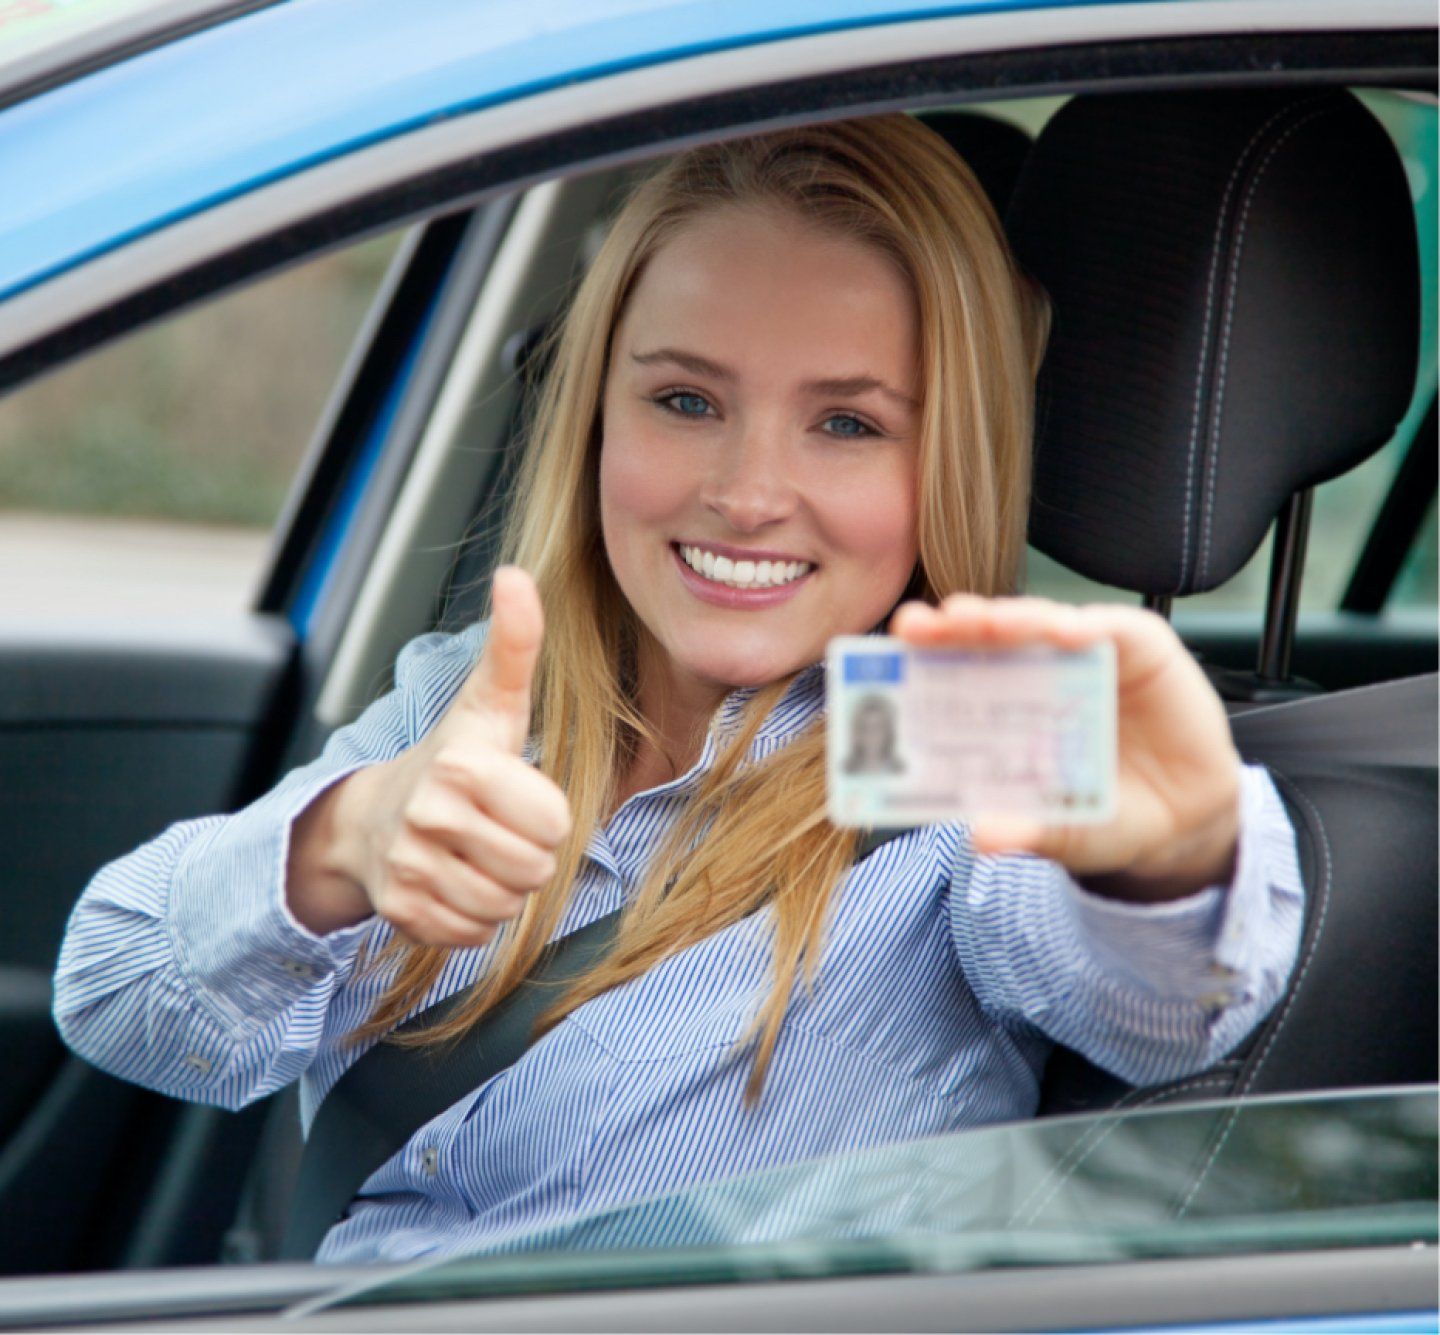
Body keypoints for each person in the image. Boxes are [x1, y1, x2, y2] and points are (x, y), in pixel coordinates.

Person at [53, 116, 1303, 1264]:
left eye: (850, 425)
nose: (749, 491)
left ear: (952, 458)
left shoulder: (955, 726)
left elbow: (1163, 1004)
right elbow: (114, 992)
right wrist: (342, 843)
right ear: (596, 412)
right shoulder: (483, 703)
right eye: (686, 400)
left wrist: (1175, 858)